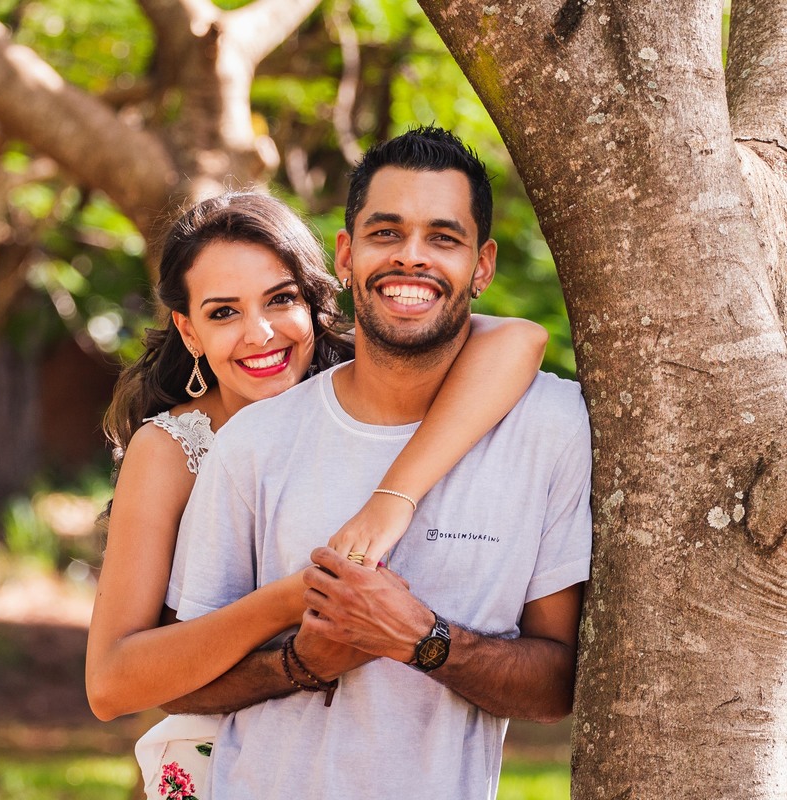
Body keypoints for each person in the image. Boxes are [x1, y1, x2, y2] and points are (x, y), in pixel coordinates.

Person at [164, 127, 593, 799]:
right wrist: (303, 661)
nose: (411, 259)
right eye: (386, 233)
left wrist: (425, 639)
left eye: (443, 239)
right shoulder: (257, 440)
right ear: (347, 254)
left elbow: (554, 685)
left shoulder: (552, 428)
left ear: (482, 267)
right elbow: (177, 677)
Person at [84, 191, 548, 795]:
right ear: (188, 329)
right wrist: (296, 600)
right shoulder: (175, 448)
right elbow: (110, 683)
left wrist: (391, 502)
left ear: (315, 299)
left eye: (280, 300)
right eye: (223, 313)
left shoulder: (369, 390)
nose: (261, 333)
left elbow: (518, 340)